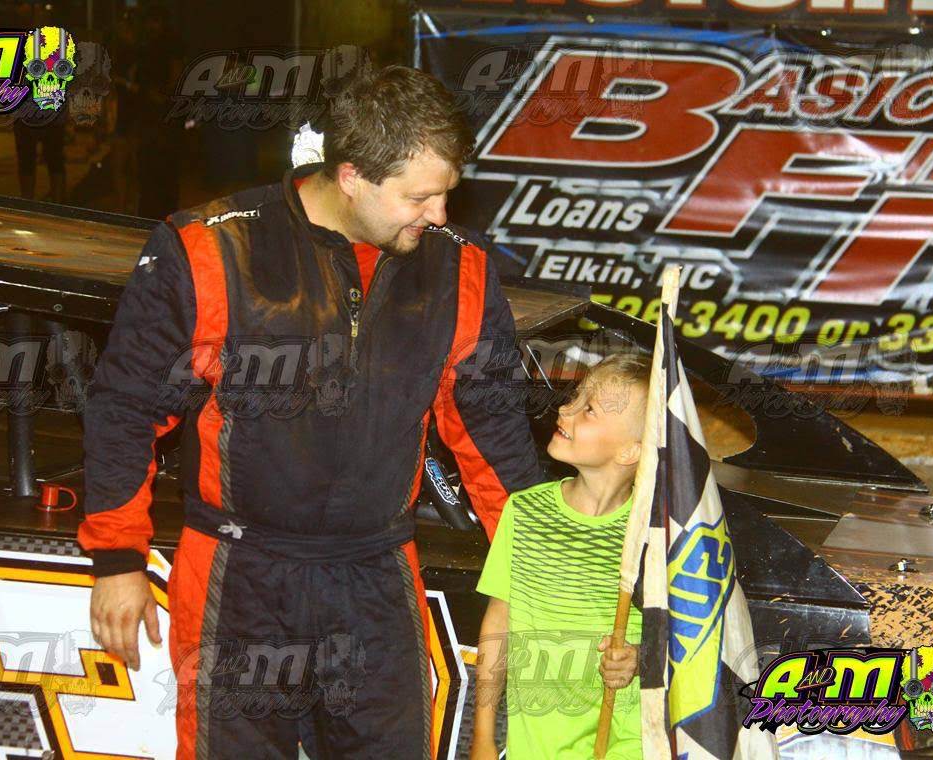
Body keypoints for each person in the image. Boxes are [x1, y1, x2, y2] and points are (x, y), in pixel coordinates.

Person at [78, 62, 543, 759]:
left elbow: (492, 428)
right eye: (420, 196)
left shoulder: (460, 266)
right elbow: (127, 406)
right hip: (239, 570)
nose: (440, 215)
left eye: (447, 193)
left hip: (377, 571)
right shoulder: (210, 247)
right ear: (351, 176)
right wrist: (118, 557)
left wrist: (545, 569)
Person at [471, 353, 648, 760]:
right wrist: (483, 736)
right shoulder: (526, 511)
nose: (565, 410)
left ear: (629, 451)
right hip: (538, 745)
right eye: (574, 397)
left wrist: (640, 658)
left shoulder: (652, 531)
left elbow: (685, 633)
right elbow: (499, 623)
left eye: (589, 409)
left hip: (628, 741)